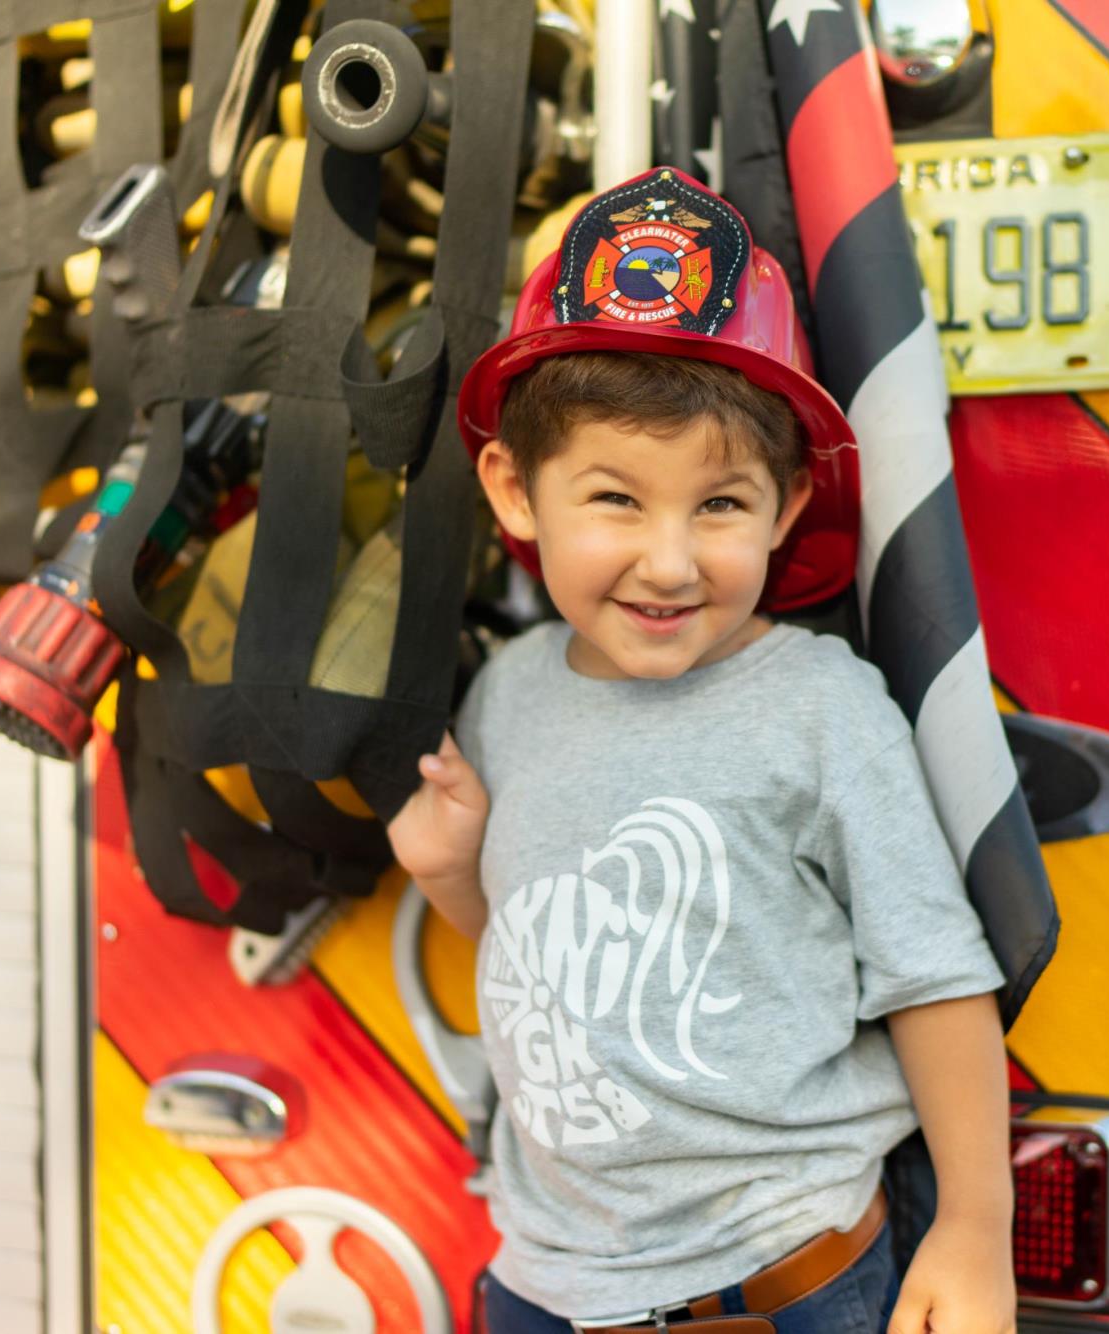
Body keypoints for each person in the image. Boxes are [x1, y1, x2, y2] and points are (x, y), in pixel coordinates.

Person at [387, 169, 1014, 1334]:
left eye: (719, 505)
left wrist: (974, 1229)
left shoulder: (820, 709)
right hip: (541, 1279)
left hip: (771, 1281)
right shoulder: (512, 694)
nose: (669, 562)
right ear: (515, 492)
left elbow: (934, 978)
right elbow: (552, 962)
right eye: (615, 499)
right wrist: (453, 875)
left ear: (785, 507)